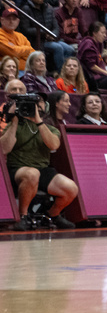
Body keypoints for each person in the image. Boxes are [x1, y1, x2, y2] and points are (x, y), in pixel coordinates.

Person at [2, 85, 79, 230]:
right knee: (32, 174)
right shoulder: (15, 125)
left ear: (47, 106)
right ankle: (22, 217)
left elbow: (53, 145)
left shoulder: (51, 129)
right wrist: (14, 121)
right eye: (33, 102)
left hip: (43, 169)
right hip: (17, 169)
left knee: (71, 188)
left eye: (40, 102)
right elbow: (5, 149)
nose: (36, 104)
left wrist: (38, 120)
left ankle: (51, 215)